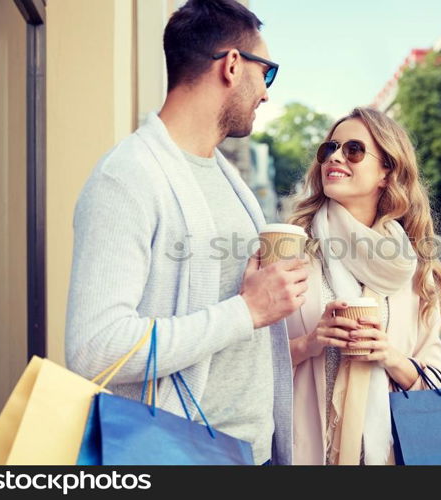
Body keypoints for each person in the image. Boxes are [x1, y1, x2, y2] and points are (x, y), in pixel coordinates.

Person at [65, 0, 308, 466]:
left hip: (250, 454)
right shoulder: (129, 177)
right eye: (268, 73)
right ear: (233, 65)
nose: (266, 94)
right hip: (177, 455)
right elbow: (95, 350)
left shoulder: (227, 178)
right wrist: (247, 310)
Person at [285, 108, 441, 465]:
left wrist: (390, 356)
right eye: (329, 148)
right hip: (302, 451)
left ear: (386, 172)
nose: (335, 156)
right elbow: (247, 361)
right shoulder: (288, 250)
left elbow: (435, 380)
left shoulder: (414, 264)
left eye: (353, 150)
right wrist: (310, 343)